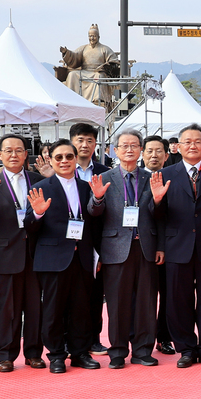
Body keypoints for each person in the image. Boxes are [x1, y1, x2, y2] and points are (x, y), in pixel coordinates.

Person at [148, 124, 201, 368]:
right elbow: (158, 216)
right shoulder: (166, 173)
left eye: (198, 141)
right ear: (178, 147)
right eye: (187, 142)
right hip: (177, 248)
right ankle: (185, 348)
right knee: (178, 300)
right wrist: (156, 200)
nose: (193, 146)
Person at [27, 140, 109, 373]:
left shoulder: (86, 188)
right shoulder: (41, 188)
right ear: (51, 160)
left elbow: (95, 224)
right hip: (53, 258)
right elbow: (29, 226)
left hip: (82, 257)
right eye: (59, 157)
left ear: (76, 160)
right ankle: (56, 355)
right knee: (53, 310)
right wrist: (38, 214)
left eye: (69, 157)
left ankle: (80, 352)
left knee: (81, 309)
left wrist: (98, 255)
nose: (64, 161)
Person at [0, 135, 46, 372]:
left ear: (26, 154)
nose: (14, 155)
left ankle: (34, 353)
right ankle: (6, 355)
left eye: (19, 150)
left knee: (35, 308)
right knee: (8, 309)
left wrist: (37, 214)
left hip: (35, 253)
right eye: (8, 151)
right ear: (0, 155)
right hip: (5, 254)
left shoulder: (38, 180)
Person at [98, 131, 161, 369]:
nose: (129, 150)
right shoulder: (104, 178)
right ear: (115, 150)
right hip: (115, 248)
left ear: (141, 150)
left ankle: (143, 350)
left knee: (146, 302)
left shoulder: (151, 177)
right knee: (117, 303)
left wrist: (157, 201)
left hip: (145, 247)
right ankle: (117, 351)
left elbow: (161, 218)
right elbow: (94, 215)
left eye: (134, 145)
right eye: (124, 145)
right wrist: (95, 199)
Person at [69, 123, 111, 357]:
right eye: (80, 140)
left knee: (95, 292)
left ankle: (94, 339)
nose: (84, 145)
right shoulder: (62, 169)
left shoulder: (105, 172)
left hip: (94, 239)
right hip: (66, 241)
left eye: (89, 141)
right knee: (69, 294)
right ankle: (69, 339)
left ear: (96, 144)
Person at [141, 136, 176, 356]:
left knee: (167, 294)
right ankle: (139, 337)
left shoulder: (172, 178)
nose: (154, 155)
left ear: (166, 155)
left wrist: (162, 245)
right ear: (142, 153)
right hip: (138, 247)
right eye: (150, 151)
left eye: (159, 151)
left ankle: (164, 337)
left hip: (166, 247)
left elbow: (167, 218)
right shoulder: (135, 178)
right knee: (142, 295)